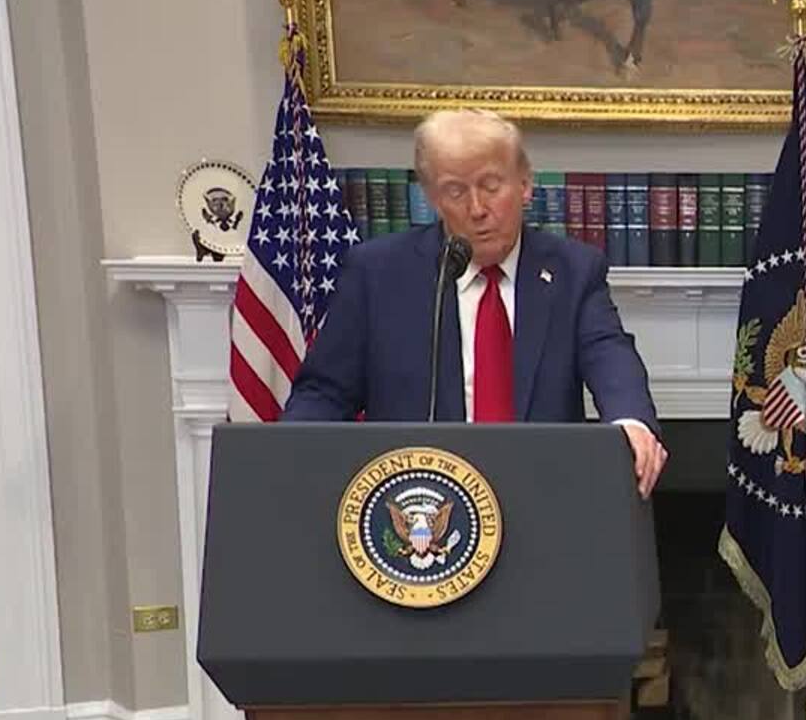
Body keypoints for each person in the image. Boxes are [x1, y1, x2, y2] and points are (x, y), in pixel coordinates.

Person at [283, 108, 666, 497]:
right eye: (455, 191)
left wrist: (631, 423)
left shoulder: (573, 271)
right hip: (419, 503)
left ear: (525, 184)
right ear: (433, 199)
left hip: (542, 494)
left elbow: (610, 355)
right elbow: (325, 392)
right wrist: (290, 458)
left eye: (491, 185)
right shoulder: (379, 273)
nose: (478, 208)